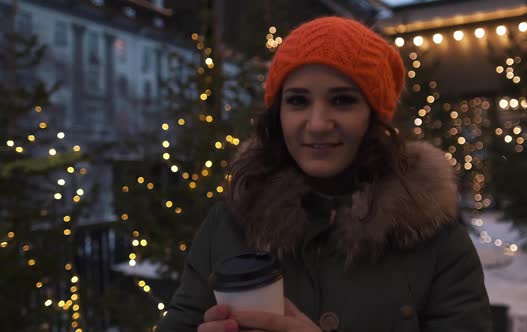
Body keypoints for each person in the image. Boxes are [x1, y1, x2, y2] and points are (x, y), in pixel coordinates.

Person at [157, 16, 492, 332]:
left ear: (374, 117)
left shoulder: (433, 236)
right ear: (278, 114)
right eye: (298, 101)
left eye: (343, 100)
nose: (317, 124)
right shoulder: (229, 223)